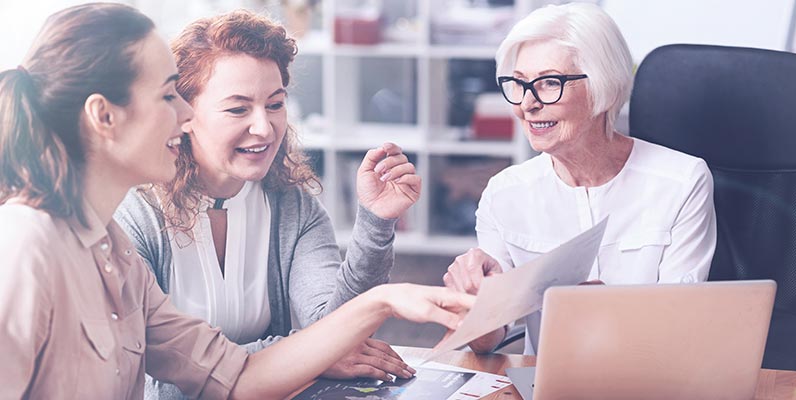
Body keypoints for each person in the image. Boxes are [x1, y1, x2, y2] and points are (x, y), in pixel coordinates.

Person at [0, 3, 472, 399]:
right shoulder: (27, 244)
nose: (183, 115)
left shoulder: (113, 252)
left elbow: (235, 376)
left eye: (274, 103)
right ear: (104, 115)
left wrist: (383, 296)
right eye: (169, 96)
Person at [112, 10, 421, 398]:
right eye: (238, 108)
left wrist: (376, 222)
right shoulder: (134, 216)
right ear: (184, 114)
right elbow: (152, 380)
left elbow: (335, 326)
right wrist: (306, 354)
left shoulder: (291, 204)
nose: (264, 127)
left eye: (275, 104)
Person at [442, 2, 716, 355]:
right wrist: (475, 304)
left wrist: (612, 314)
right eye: (519, 83)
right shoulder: (504, 194)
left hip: (651, 379)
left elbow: (682, 328)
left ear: (603, 86)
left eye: (549, 82)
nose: (528, 104)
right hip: (547, 383)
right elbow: (486, 342)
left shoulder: (681, 182)